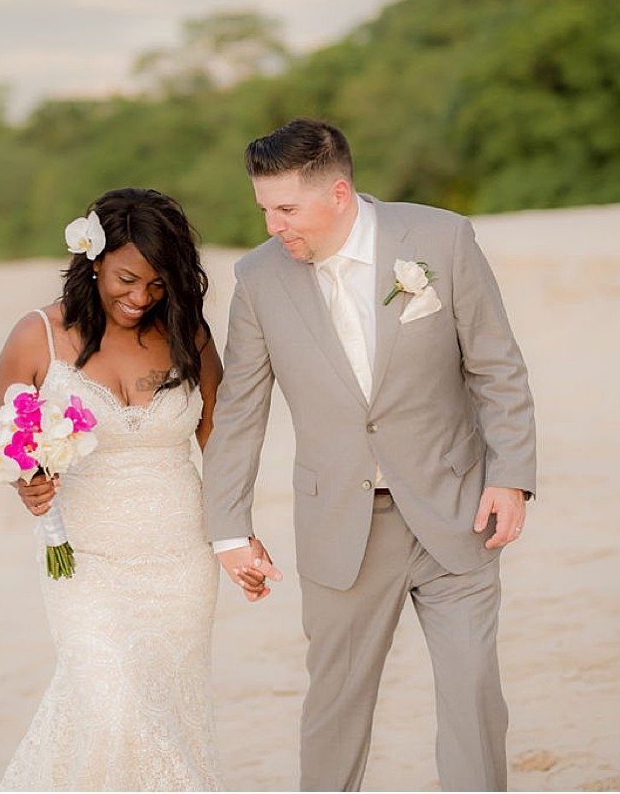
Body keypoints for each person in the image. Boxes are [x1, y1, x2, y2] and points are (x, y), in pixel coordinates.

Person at [202, 120, 537, 792]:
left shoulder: (440, 240)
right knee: (337, 706)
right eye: (264, 209)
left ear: (339, 193)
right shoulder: (259, 279)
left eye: (286, 209)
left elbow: (496, 366)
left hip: (457, 509)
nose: (273, 226)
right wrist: (229, 528)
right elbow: (240, 410)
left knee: (473, 694)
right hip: (342, 528)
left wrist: (511, 477)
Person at [0, 188, 228, 792]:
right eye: (126, 278)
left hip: (180, 563)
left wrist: (237, 539)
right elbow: (6, 440)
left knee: (169, 718)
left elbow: (223, 450)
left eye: (157, 284)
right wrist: (29, 482)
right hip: (86, 565)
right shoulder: (36, 336)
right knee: (113, 705)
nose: (140, 297)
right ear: (92, 259)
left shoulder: (187, 335)